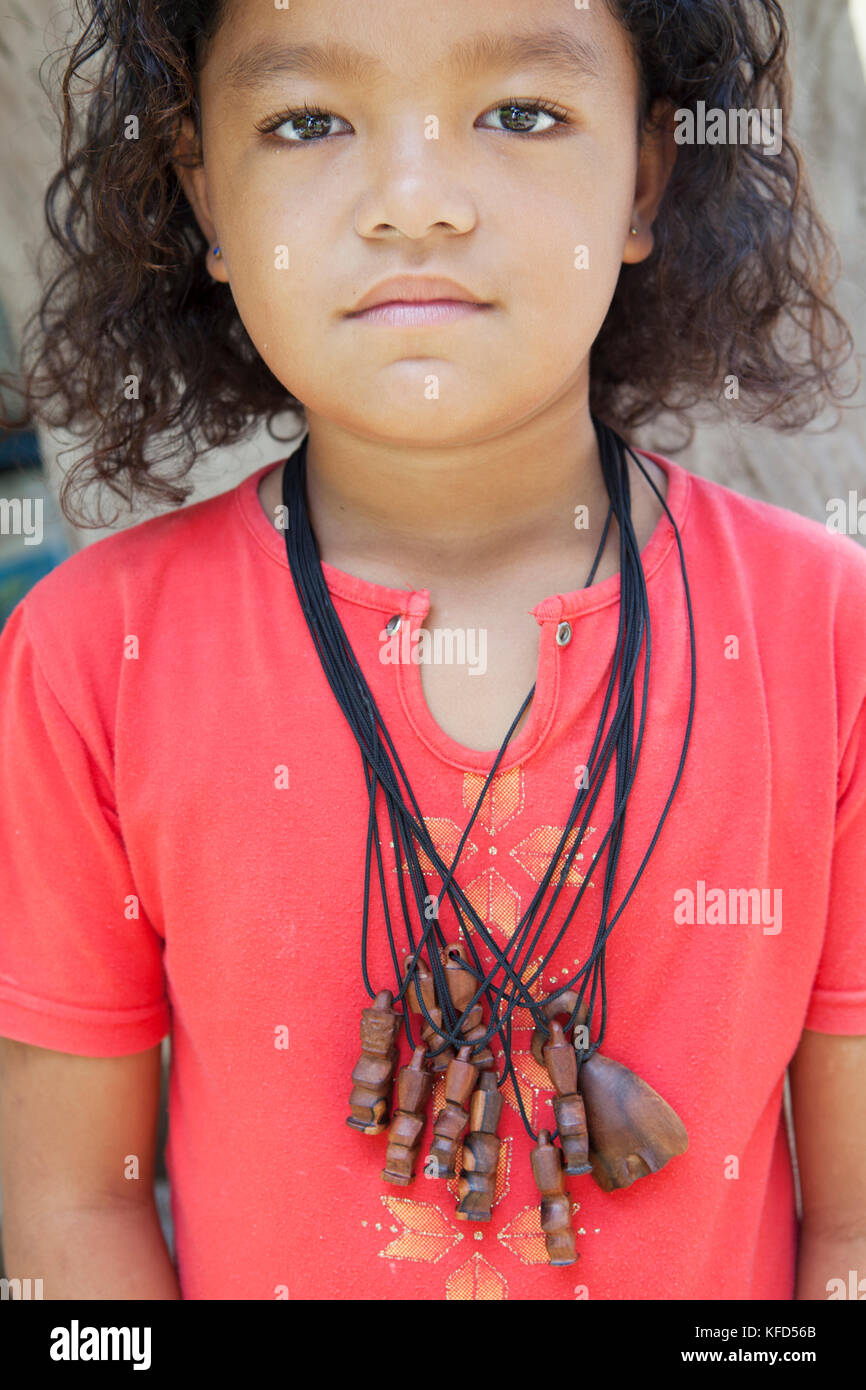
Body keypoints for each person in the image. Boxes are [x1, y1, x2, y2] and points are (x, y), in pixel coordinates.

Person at [0, 0, 864, 1302]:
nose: (415, 203)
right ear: (205, 197)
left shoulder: (828, 638)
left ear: (641, 179)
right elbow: (70, 1204)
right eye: (308, 122)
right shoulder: (88, 657)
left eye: (520, 113)